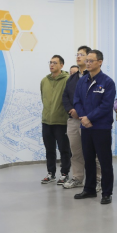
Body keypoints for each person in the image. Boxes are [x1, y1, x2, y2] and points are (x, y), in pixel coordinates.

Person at [72, 50, 116, 204]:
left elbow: (106, 105)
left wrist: (89, 118)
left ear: (100, 62)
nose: (88, 63)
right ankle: (89, 189)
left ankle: (107, 192)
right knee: (88, 159)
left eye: (91, 61)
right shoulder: (82, 81)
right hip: (86, 127)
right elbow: (77, 101)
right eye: (87, 60)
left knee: (104, 161)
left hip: (101, 127)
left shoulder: (107, 82)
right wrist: (83, 118)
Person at [61, 46, 102, 191]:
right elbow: (65, 97)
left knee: (94, 153)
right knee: (76, 152)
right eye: (77, 54)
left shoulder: (95, 77)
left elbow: (95, 101)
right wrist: (71, 110)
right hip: (73, 120)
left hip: (90, 121)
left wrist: (82, 113)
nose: (78, 57)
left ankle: (97, 180)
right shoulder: (72, 78)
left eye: (82, 54)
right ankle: (77, 178)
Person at [40, 55, 71, 185]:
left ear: (61, 65)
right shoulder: (44, 81)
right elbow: (43, 98)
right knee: (49, 149)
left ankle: (65, 173)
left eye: (55, 63)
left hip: (61, 121)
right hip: (47, 121)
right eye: (50, 62)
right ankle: (51, 173)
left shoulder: (67, 80)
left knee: (64, 149)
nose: (51, 65)